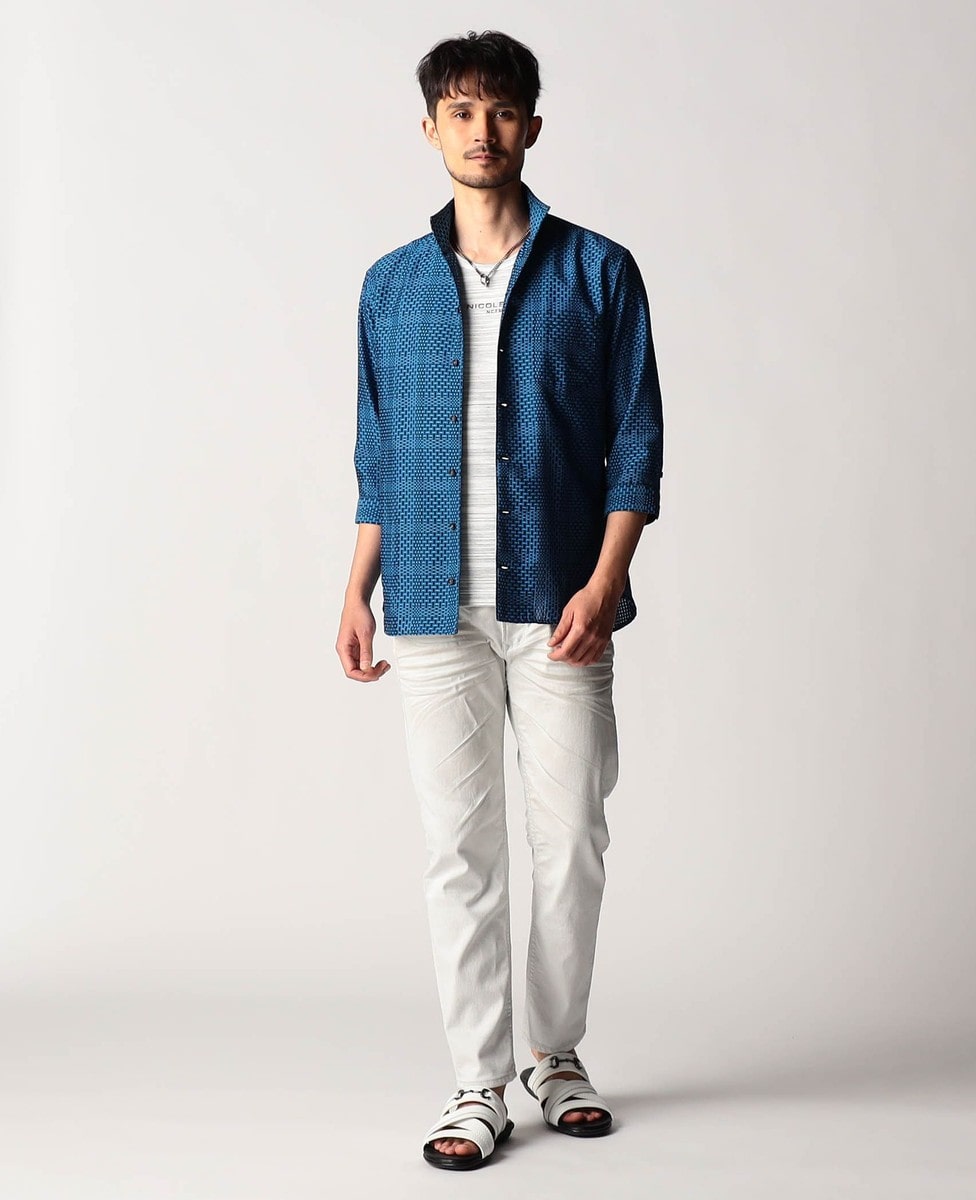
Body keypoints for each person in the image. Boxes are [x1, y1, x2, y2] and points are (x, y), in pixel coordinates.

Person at [336, 29, 663, 1171]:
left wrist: (604, 582)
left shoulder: (598, 272)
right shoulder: (389, 286)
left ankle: (555, 1056)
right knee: (459, 851)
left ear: (531, 124)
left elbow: (634, 442)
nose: (483, 131)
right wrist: (357, 587)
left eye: (503, 109)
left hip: (560, 600)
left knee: (570, 838)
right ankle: (477, 1082)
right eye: (462, 112)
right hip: (431, 606)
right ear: (430, 128)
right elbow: (379, 458)